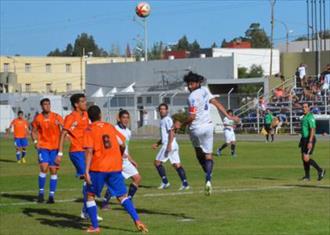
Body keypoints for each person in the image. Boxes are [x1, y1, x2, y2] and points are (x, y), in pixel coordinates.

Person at [83, 105, 148, 233]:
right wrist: (120, 154)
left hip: (98, 167)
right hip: (115, 166)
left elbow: (89, 151)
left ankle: (95, 227)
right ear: (100, 115)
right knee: (122, 196)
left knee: (90, 195)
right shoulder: (110, 127)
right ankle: (137, 220)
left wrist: (86, 171)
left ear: (89, 118)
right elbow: (122, 144)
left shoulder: (89, 129)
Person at [183, 72, 239, 196]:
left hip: (196, 128)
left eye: (191, 83)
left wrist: (181, 124)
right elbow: (216, 103)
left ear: (197, 83)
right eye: (188, 83)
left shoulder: (191, 97)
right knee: (208, 156)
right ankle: (208, 179)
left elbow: (192, 117)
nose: (189, 86)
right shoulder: (204, 90)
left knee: (198, 152)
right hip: (208, 127)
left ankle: (207, 173)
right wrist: (228, 115)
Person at [55, 93, 102, 221]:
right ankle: (88, 210)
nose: (85, 103)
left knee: (92, 178)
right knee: (88, 179)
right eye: (82, 101)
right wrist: (60, 153)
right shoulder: (71, 117)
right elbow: (63, 134)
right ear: (76, 104)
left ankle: (86, 210)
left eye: (85, 101)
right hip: (76, 152)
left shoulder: (87, 115)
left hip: (87, 151)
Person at [101, 110, 142, 209]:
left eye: (127, 117)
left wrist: (131, 159)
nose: (126, 120)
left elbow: (126, 148)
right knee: (117, 182)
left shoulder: (128, 132)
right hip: (116, 160)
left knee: (137, 178)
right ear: (118, 118)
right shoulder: (113, 129)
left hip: (125, 160)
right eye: (123, 117)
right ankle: (105, 202)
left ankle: (129, 200)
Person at [31, 98, 63, 203]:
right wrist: (36, 142)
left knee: (53, 170)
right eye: (45, 104)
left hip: (55, 148)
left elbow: (64, 129)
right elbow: (34, 131)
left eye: (49, 104)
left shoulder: (57, 117)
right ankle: (41, 193)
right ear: (41, 106)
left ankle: (51, 196)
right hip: (43, 147)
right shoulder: (38, 118)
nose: (47, 106)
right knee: (44, 167)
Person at [152, 103, 189, 190]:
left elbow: (172, 132)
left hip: (169, 144)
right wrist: (157, 144)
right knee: (177, 165)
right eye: (160, 109)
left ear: (167, 110)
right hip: (173, 144)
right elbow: (166, 135)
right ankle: (185, 184)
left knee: (157, 162)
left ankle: (165, 182)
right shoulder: (164, 120)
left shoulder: (167, 119)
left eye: (163, 109)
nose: (162, 110)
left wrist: (169, 145)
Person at [299, 102, 326, 181]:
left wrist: (310, 141)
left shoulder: (310, 117)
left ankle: (320, 170)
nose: (303, 108)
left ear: (308, 108)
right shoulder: (304, 117)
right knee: (303, 158)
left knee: (306, 158)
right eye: (303, 107)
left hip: (309, 139)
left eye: (305, 107)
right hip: (304, 139)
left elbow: (313, 129)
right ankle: (307, 176)